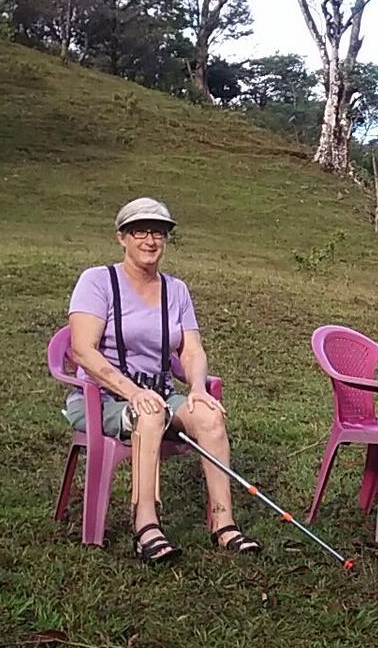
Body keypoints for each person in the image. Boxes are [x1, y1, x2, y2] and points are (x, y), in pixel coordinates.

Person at [64, 197, 260, 564]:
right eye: (140, 231)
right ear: (122, 237)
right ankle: (146, 525)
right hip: (103, 401)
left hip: (160, 393)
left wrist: (198, 389)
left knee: (210, 417)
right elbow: (82, 351)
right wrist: (133, 392)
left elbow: (191, 350)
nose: (150, 241)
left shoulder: (176, 290)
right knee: (149, 415)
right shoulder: (98, 281)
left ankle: (223, 523)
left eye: (159, 232)